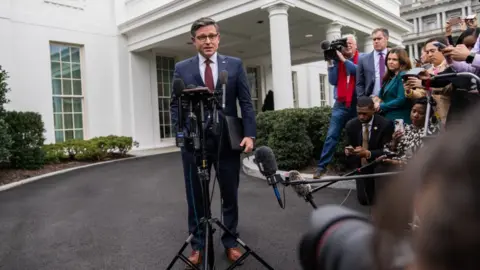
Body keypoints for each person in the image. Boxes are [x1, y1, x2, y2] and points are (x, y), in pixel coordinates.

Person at [169, 17, 256, 267]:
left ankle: (230, 242)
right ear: (194, 41)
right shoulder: (182, 68)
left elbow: (246, 103)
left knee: (229, 193)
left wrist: (249, 134)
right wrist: (182, 131)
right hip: (194, 142)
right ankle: (197, 245)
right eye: (202, 37)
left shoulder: (236, 65)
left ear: (219, 38)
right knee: (195, 196)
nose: (207, 41)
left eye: (211, 36)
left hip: (227, 141)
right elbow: (175, 104)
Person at [313, 34, 361, 179]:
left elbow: (356, 71)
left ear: (356, 46)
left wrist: (342, 58)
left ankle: (358, 166)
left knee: (357, 136)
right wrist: (330, 62)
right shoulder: (337, 61)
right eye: (345, 44)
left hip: (356, 103)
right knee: (332, 135)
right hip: (340, 103)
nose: (347, 46)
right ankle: (322, 167)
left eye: (350, 44)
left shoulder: (362, 59)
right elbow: (333, 81)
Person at [344, 96, 394, 205]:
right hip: (361, 166)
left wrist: (368, 153)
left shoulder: (385, 125)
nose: (361, 117)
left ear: (373, 110)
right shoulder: (351, 125)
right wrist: (349, 151)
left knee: (380, 201)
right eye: (359, 113)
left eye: (365, 113)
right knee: (364, 200)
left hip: (379, 165)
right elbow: (348, 146)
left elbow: (388, 151)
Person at [383, 97, 440, 166]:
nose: (415, 115)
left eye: (421, 113)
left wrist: (397, 163)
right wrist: (394, 143)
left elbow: (423, 161)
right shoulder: (406, 128)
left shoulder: (431, 134)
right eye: (414, 111)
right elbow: (388, 152)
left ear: (429, 115)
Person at [375, 47, 413, 124]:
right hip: (387, 117)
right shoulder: (389, 77)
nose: (390, 62)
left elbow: (401, 100)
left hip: (400, 118)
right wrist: (376, 102)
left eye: (394, 60)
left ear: (402, 62)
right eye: (389, 59)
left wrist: (381, 106)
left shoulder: (403, 75)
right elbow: (380, 96)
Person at [356, 28, 389, 99]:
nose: (376, 41)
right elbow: (359, 83)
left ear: (386, 39)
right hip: (371, 101)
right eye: (374, 39)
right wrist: (362, 98)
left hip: (391, 100)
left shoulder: (394, 56)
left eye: (379, 39)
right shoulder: (363, 59)